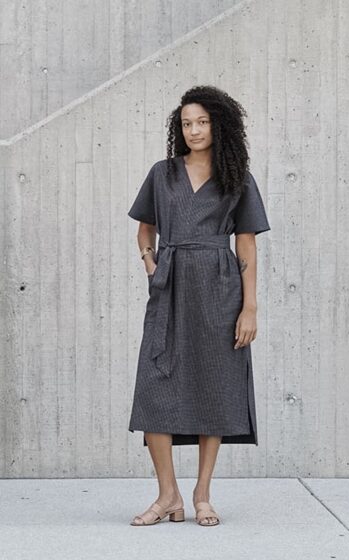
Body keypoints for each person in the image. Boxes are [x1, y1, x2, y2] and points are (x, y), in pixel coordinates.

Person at [127, 85, 270, 527]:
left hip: (219, 289)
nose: (194, 130)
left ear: (218, 125)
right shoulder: (162, 173)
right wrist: (151, 263)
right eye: (187, 123)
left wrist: (250, 308)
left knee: (214, 386)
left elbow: (246, 245)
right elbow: (144, 228)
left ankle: (202, 494)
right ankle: (167, 494)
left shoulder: (236, 177)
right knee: (155, 387)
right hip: (170, 288)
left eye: (202, 122)